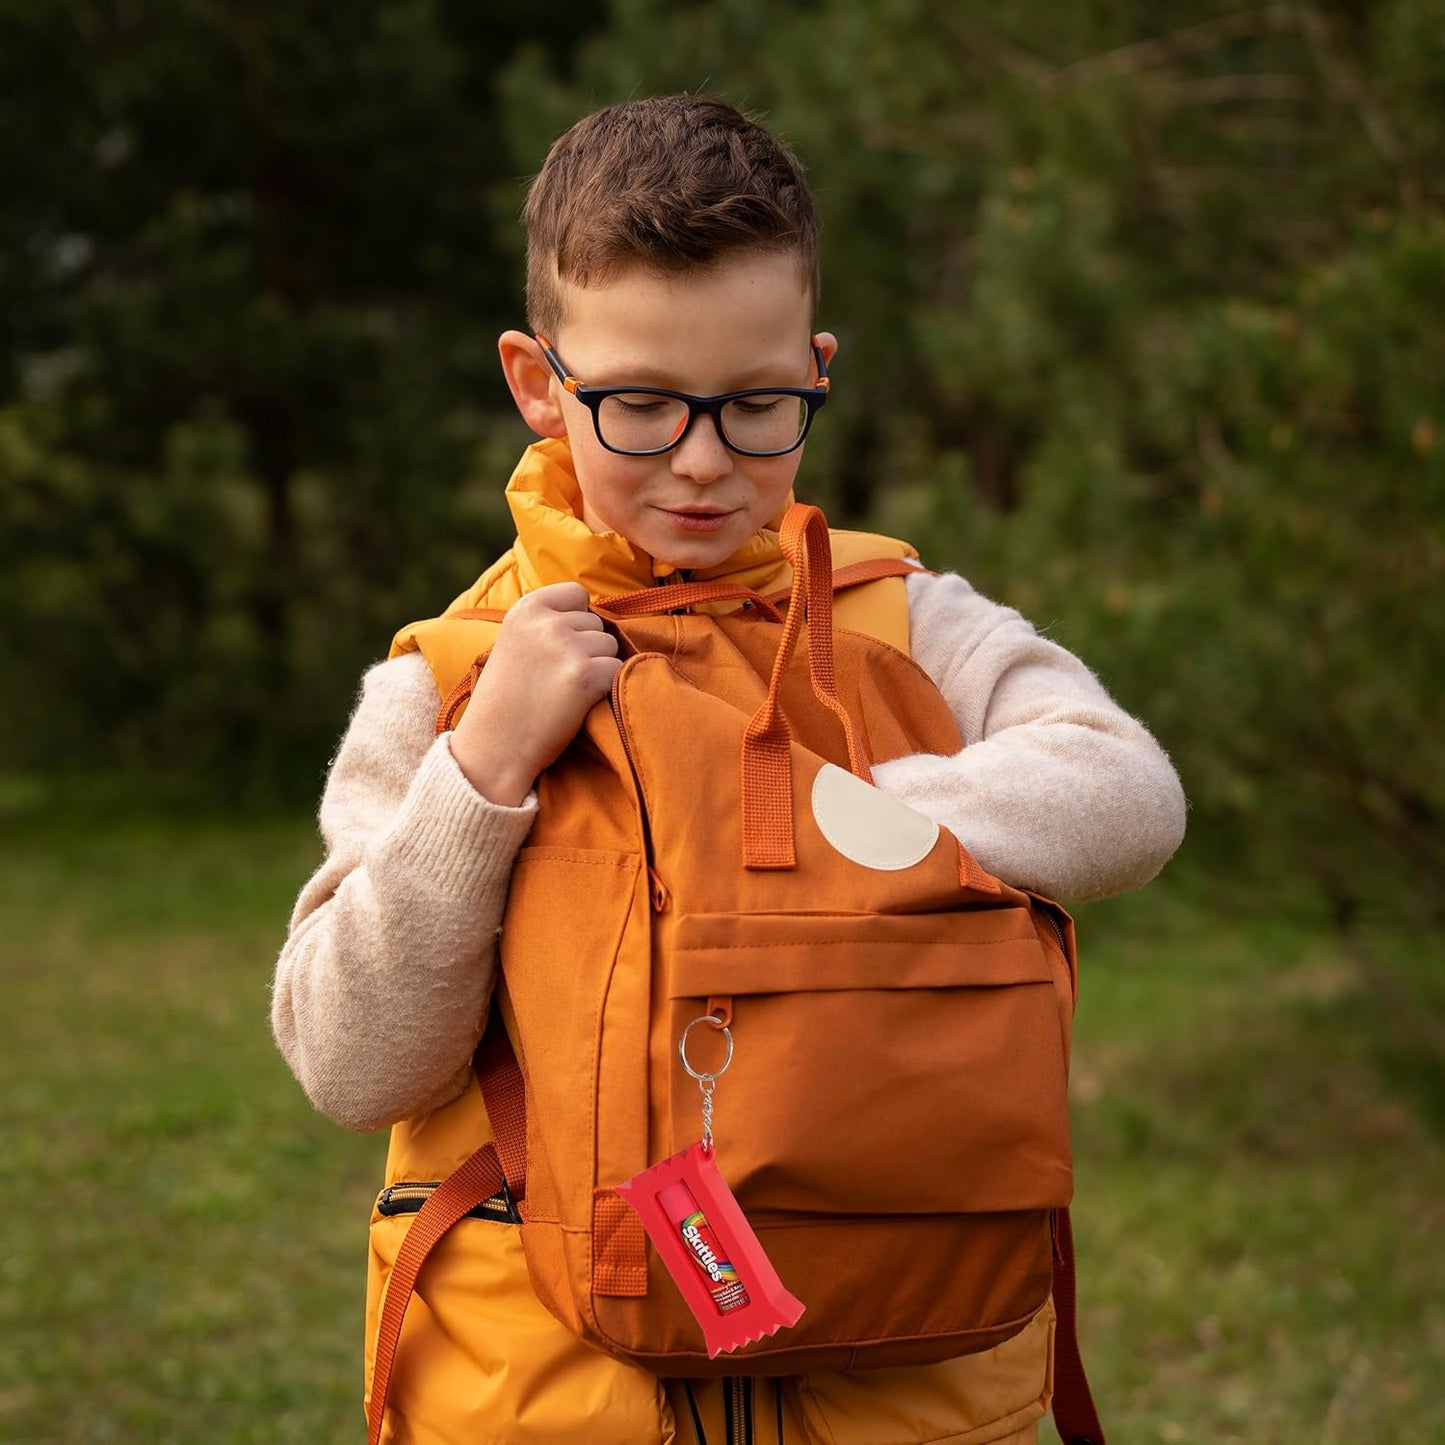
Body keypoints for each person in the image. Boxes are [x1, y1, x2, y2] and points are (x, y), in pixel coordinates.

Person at [272, 93, 1186, 1445]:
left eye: (758, 404)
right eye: (638, 404)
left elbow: (1127, 794)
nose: (702, 462)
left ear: (816, 368)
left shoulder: (908, 622)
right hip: (549, 1399)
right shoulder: (451, 686)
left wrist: (788, 820)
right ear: (538, 382)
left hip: (903, 1387)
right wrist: (483, 773)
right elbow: (353, 1066)